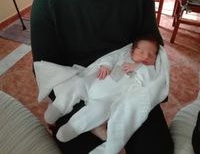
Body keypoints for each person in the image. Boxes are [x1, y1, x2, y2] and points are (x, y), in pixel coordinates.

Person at [31, 0, 174, 154]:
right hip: (77, 95)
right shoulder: (48, 0)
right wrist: (91, 120)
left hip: (128, 85)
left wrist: (145, 90)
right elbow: (46, 71)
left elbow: (152, 47)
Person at [34, 35, 169, 154]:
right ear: (132, 50)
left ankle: (72, 128)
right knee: (77, 84)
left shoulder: (149, 69)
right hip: (93, 84)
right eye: (141, 52)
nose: (146, 56)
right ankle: (58, 108)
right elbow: (111, 57)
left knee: (98, 111)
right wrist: (106, 65)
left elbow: (151, 83)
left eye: (151, 55)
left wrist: (139, 68)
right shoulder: (124, 56)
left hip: (107, 100)